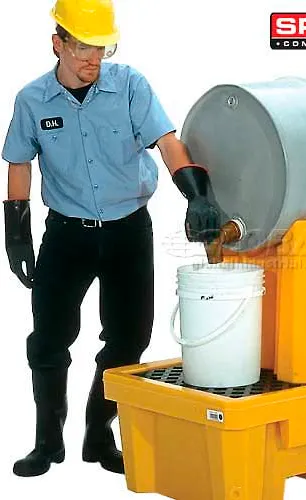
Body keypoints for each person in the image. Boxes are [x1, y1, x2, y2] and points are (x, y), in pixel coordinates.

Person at [2, 0, 220, 478]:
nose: (94, 59)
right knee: (49, 339)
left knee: (129, 337)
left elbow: (167, 141)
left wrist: (195, 194)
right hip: (66, 236)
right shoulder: (32, 100)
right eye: (83, 48)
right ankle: (46, 442)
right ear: (57, 44)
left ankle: (99, 434)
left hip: (128, 232)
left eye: (102, 48)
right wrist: (15, 235)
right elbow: (19, 162)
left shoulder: (129, 86)